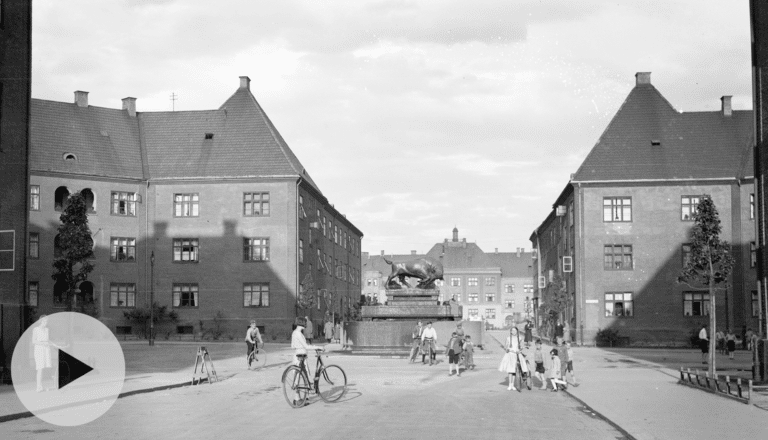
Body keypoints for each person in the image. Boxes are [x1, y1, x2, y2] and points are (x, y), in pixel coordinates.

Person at [289, 317, 323, 405]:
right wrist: (317, 347)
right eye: (305, 323)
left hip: (299, 356)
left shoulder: (295, 333)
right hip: (300, 357)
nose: (306, 325)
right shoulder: (298, 334)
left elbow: (292, 346)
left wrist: (299, 347)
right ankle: (297, 399)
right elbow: (306, 346)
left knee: (304, 376)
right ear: (302, 324)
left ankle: (304, 397)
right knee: (299, 377)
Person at [498, 326, 529, 391]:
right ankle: (510, 384)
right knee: (510, 370)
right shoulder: (508, 338)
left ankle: (513, 385)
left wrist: (520, 349)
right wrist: (507, 349)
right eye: (512, 331)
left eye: (515, 330)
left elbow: (521, 346)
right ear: (511, 332)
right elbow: (505, 347)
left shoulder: (520, 338)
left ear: (517, 331)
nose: (513, 332)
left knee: (515, 370)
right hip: (510, 355)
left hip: (517, 354)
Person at [33, 315, 52, 392]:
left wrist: (55, 345)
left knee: (43, 368)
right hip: (39, 349)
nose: (46, 323)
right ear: (41, 321)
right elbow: (34, 341)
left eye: (47, 321)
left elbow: (48, 340)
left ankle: (41, 386)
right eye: (44, 321)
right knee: (40, 368)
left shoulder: (47, 329)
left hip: (46, 349)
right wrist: (43, 344)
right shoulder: (36, 329)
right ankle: (38, 387)